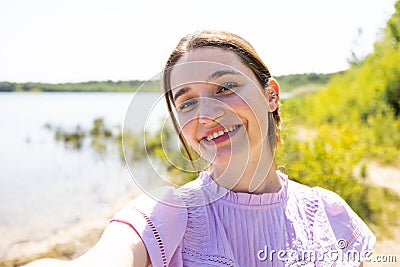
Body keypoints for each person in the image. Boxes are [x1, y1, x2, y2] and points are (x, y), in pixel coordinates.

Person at [24, 29, 375, 267]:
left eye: (225, 88)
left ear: (271, 96)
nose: (207, 114)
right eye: (187, 102)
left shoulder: (330, 214)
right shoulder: (168, 215)